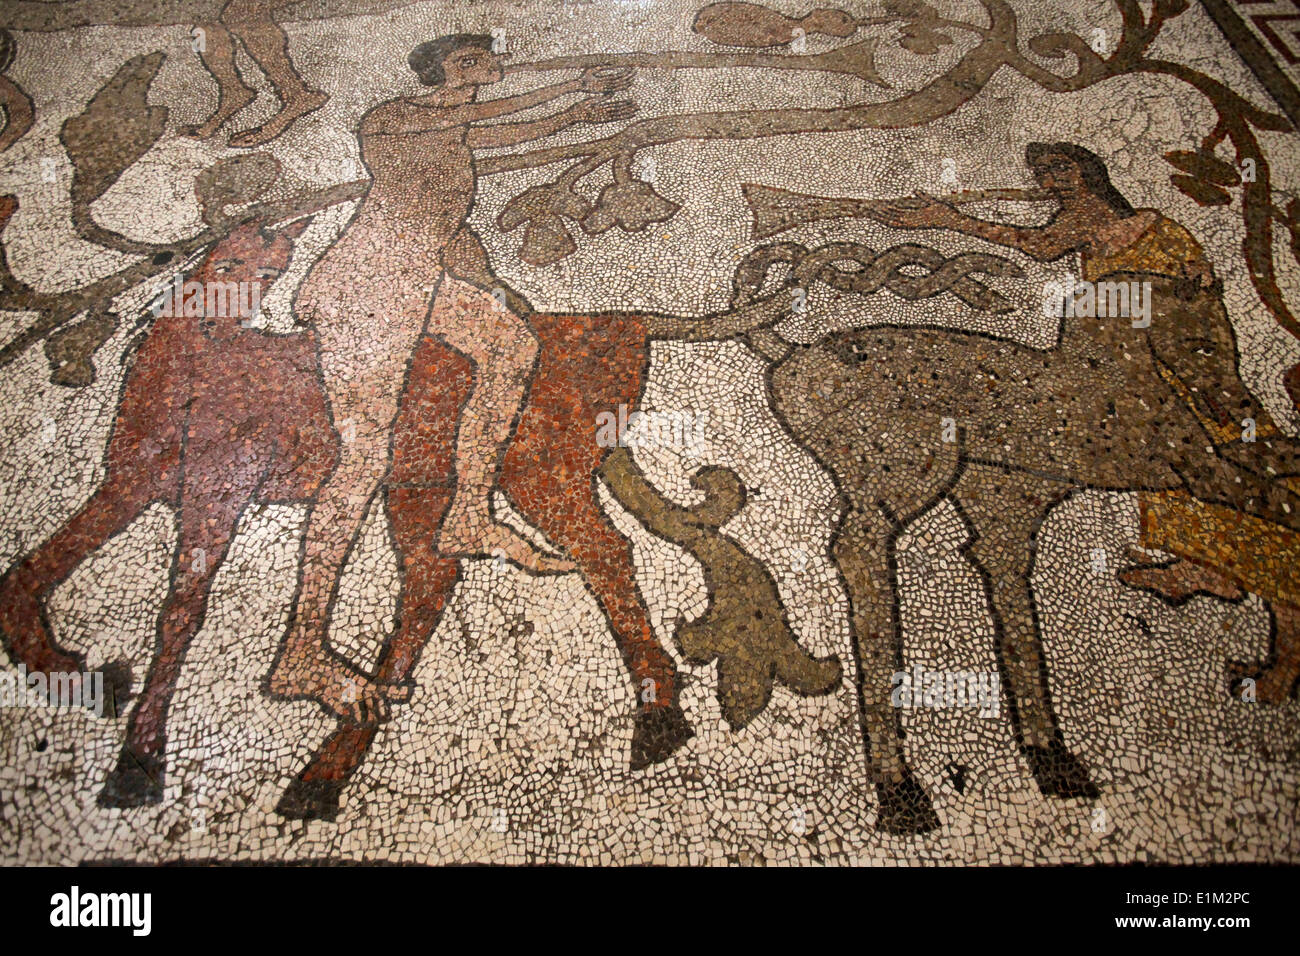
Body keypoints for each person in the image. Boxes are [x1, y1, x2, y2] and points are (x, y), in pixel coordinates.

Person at [269, 35, 637, 723]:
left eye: (482, 59)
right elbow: (486, 117)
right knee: (362, 460)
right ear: (436, 73)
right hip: (368, 285)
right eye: (467, 62)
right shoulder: (393, 118)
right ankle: (303, 650)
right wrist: (570, 90)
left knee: (510, 347)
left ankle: (467, 515)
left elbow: (500, 135)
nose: (484, 67)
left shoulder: (454, 134)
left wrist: (576, 114)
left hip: (420, 278)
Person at [866, 141, 1300, 703]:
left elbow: (1043, 247)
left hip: (1190, 372)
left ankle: (1286, 654)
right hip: (1145, 369)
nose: (1050, 180)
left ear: (1089, 170)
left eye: (1060, 168)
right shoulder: (1093, 225)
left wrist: (949, 219)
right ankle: (1208, 567)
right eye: (1043, 173)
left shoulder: (1137, 226)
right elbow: (1059, 256)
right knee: (1162, 473)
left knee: (1250, 496)